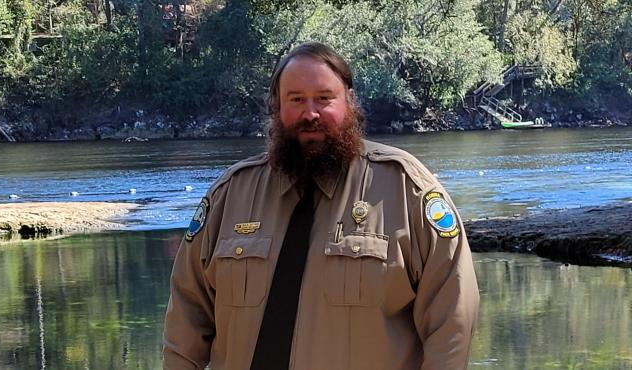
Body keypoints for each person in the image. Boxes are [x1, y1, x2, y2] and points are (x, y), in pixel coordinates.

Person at [163, 41, 479, 370]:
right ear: (276, 108)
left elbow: (452, 318)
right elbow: (186, 320)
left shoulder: (404, 188)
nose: (310, 114)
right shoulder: (230, 196)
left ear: (350, 102)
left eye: (324, 99)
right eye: (296, 99)